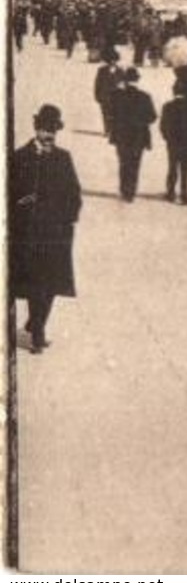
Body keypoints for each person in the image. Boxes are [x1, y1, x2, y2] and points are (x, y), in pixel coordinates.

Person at [9, 105, 83, 354]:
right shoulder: (19, 157)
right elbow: (8, 195)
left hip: (55, 234)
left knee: (51, 285)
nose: (48, 135)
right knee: (33, 284)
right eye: (44, 129)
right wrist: (21, 203)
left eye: (52, 130)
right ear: (36, 129)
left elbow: (75, 193)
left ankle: (36, 324)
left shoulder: (63, 158)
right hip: (27, 234)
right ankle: (37, 331)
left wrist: (68, 219)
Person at [108, 67, 156, 202]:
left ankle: (124, 189)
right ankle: (131, 192)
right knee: (135, 164)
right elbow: (152, 117)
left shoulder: (116, 95)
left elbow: (111, 114)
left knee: (123, 163)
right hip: (139, 136)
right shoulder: (145, 97)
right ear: (138, 80)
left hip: (121, 135)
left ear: (125, 80)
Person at [160, 81, 187, 205]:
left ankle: (171, 192)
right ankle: (185, 194)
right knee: (185, 169)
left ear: (174, 92)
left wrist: (167, 137)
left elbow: (163, 126)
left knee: (172, 167)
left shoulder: (167, 106)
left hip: (173, 142)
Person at [93, 47, 122, 136]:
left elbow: (123, 84)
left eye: (114, 60)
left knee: (115, 114)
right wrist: (97, 95)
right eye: (110, 60)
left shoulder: (120, 71)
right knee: (105, 113)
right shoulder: (102, 70)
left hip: (117, 96)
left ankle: (113, 129)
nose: (112, 62)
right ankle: (107, 130)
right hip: (104, 96)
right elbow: (97, 83)